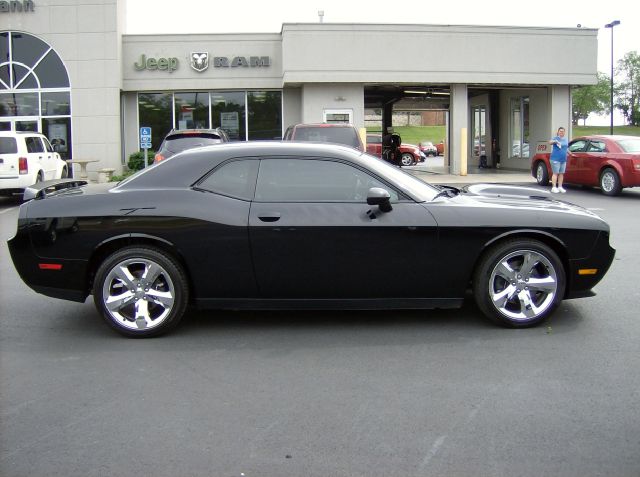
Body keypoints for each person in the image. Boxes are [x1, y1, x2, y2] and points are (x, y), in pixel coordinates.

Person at [549, 127, 568, 193]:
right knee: (555, 173)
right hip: (555, 159)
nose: (561, 132)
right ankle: (554, 187)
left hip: (563, 159)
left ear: (564, 132)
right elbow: (550, 142)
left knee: (561, 173)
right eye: (560, 131)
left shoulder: (565, 139)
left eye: (563, 131)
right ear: (558, 132)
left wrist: (570, 153)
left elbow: (565, 148)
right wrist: (555, 141)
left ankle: (560, 187)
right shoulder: (555, 138)